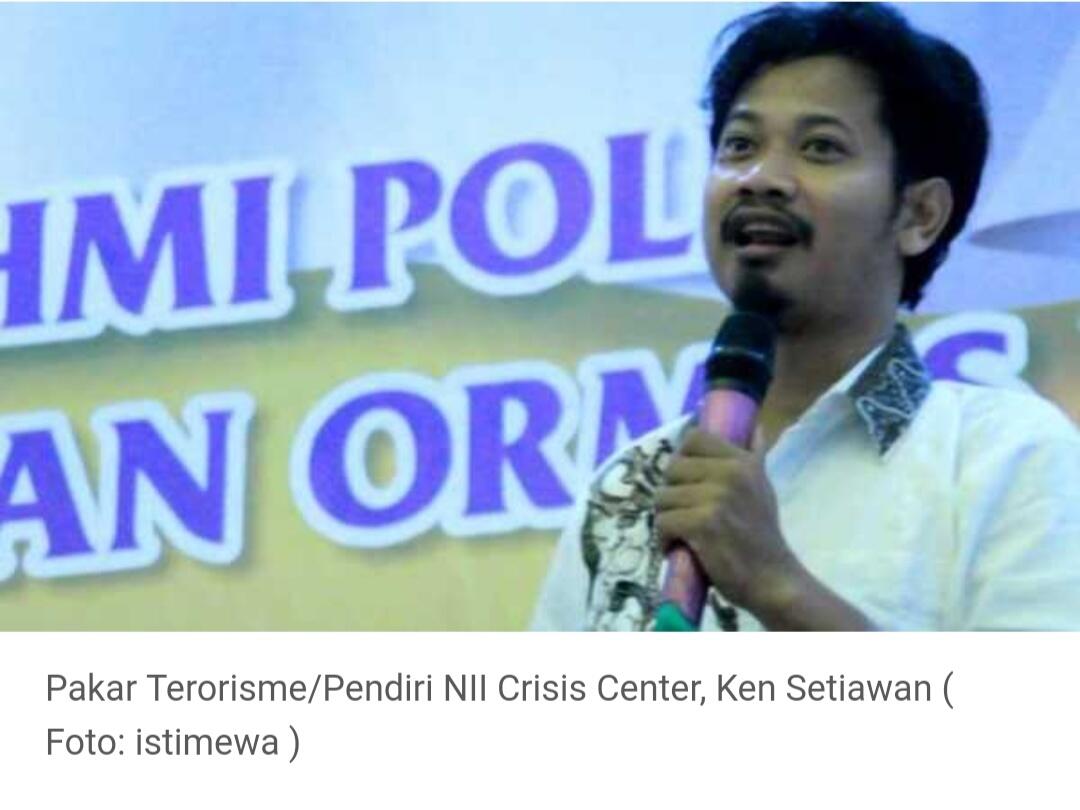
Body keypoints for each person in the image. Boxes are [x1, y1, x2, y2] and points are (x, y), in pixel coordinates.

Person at [531, 3, 1080, 631]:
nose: (759, 178)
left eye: (821, 148)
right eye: (740, 146)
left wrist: (775, 584)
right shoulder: (627, 487)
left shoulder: (1006, 456)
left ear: (919, 215)